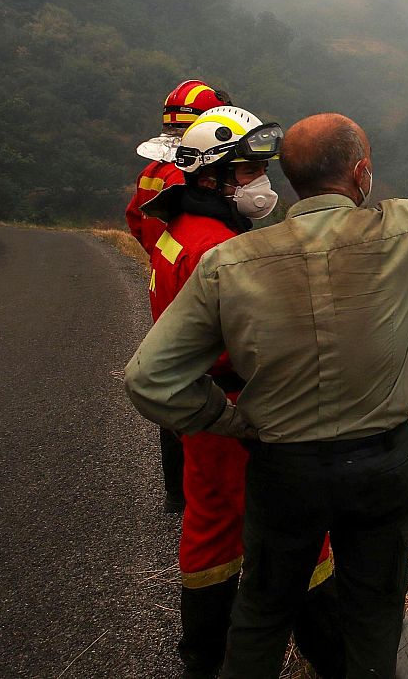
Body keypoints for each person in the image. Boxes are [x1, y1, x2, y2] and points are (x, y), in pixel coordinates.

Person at [126, 99, 408, 677]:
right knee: (374, 612)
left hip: (283, 468)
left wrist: (229, 421)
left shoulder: (228, 262)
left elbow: (149, 379)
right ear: (361, 173)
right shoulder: (404, 231)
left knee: (262, 615)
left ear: (291, 180)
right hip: (382, 466)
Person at [138, 105, 343, 679]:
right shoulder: (216, 250)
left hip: (200, 422)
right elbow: (237, 347)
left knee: (211, 538)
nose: (261, 184)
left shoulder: (180, 235)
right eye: (249, 172)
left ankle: (203, 657)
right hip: (236, 420)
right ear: (212, 178)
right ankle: (338, 655)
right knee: (299, 538)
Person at [129, 78, 233, 513]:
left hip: (168, 281)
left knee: (175, 381)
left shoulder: (154, 169)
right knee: (200, 382)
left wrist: (161, 256)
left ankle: (178, 491)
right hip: (189, 283)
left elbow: (137, 219)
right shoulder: (186, 173)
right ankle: (194, 491)